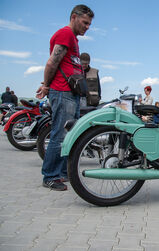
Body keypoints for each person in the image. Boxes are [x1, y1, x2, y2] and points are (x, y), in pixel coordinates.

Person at [35, 4, 94, 191]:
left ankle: (60, 173)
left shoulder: (74, 39)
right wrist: (46, 85)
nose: (87, 27)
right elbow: (52, 62)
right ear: (74, 17)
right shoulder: (65, 34)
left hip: (71, 93)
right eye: (85, 22)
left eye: (89, 24)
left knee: (69, 135)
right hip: (62, 92)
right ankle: (50, 176)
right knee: (60, 135)